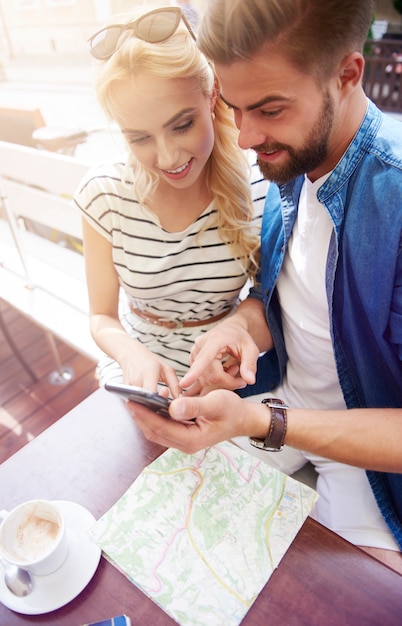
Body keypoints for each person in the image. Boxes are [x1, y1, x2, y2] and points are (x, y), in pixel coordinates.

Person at [128, 0, 402, 574]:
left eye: (269, 109)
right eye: (232, 108)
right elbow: (280, 296)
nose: (247, 137)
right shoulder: (292, 166)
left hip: (370, 463)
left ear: (348, 74)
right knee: (167, 528)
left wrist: (262, 423)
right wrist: (238, 329)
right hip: (283, 407)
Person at [74, 3, 266, 398]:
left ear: (213, 93)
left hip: (224, 377)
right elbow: (102, 317)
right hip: (135, 373)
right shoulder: (104, 195)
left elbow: (266, 302)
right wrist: (131, 355)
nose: (168, 158)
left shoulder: (260, 186)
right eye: (139, 137)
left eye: (182, 125)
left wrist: (234, 343)